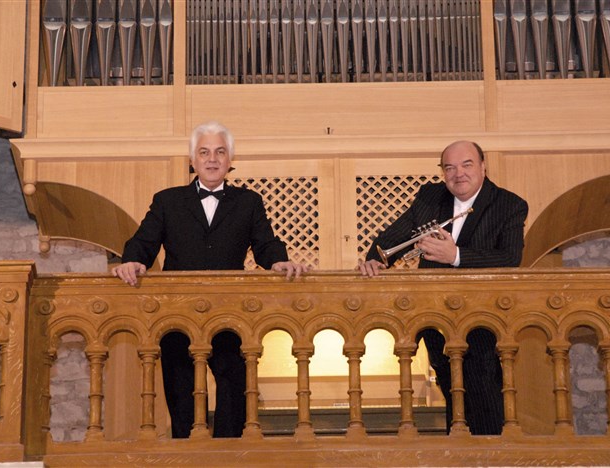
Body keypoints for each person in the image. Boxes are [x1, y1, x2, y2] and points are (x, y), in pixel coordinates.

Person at [112, 121, 309, 438]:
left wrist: (279, 261)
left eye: (220, 152)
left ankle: (227, 456)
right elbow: (143, 242)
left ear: (230, 159)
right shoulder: (167, 201)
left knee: (234, 391)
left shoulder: (248, 202)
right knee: (181, 394)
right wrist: (132, 260)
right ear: (192, 160)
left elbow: (265, 245)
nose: (212, 159)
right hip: (177, 315)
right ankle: (187, 455)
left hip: (231, 315)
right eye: (204, 152)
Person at [358, 140, 528, 435]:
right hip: (436, 320)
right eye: (449, 167)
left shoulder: (509, 205)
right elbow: (395, 236)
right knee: (453, 396)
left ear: (483, 166)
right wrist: (374, 259)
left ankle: (488, 454)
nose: (458, 174)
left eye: (466, 165)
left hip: (481, 322)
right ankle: (459, 452)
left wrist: (457, 256)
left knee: (484, 394)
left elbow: (510, 258)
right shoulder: (430, 196)